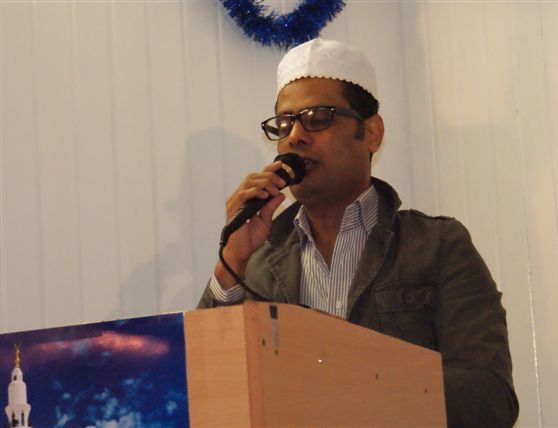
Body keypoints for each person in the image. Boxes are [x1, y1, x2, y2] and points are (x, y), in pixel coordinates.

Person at [197, 38, 519, 427]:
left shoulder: (437, 245)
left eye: (318, 117)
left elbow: (488, 399)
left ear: (371, 134)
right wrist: (231, 262)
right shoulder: (257, 263)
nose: (295, 136)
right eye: (285, 123)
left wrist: (352, 388)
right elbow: (204, 385)